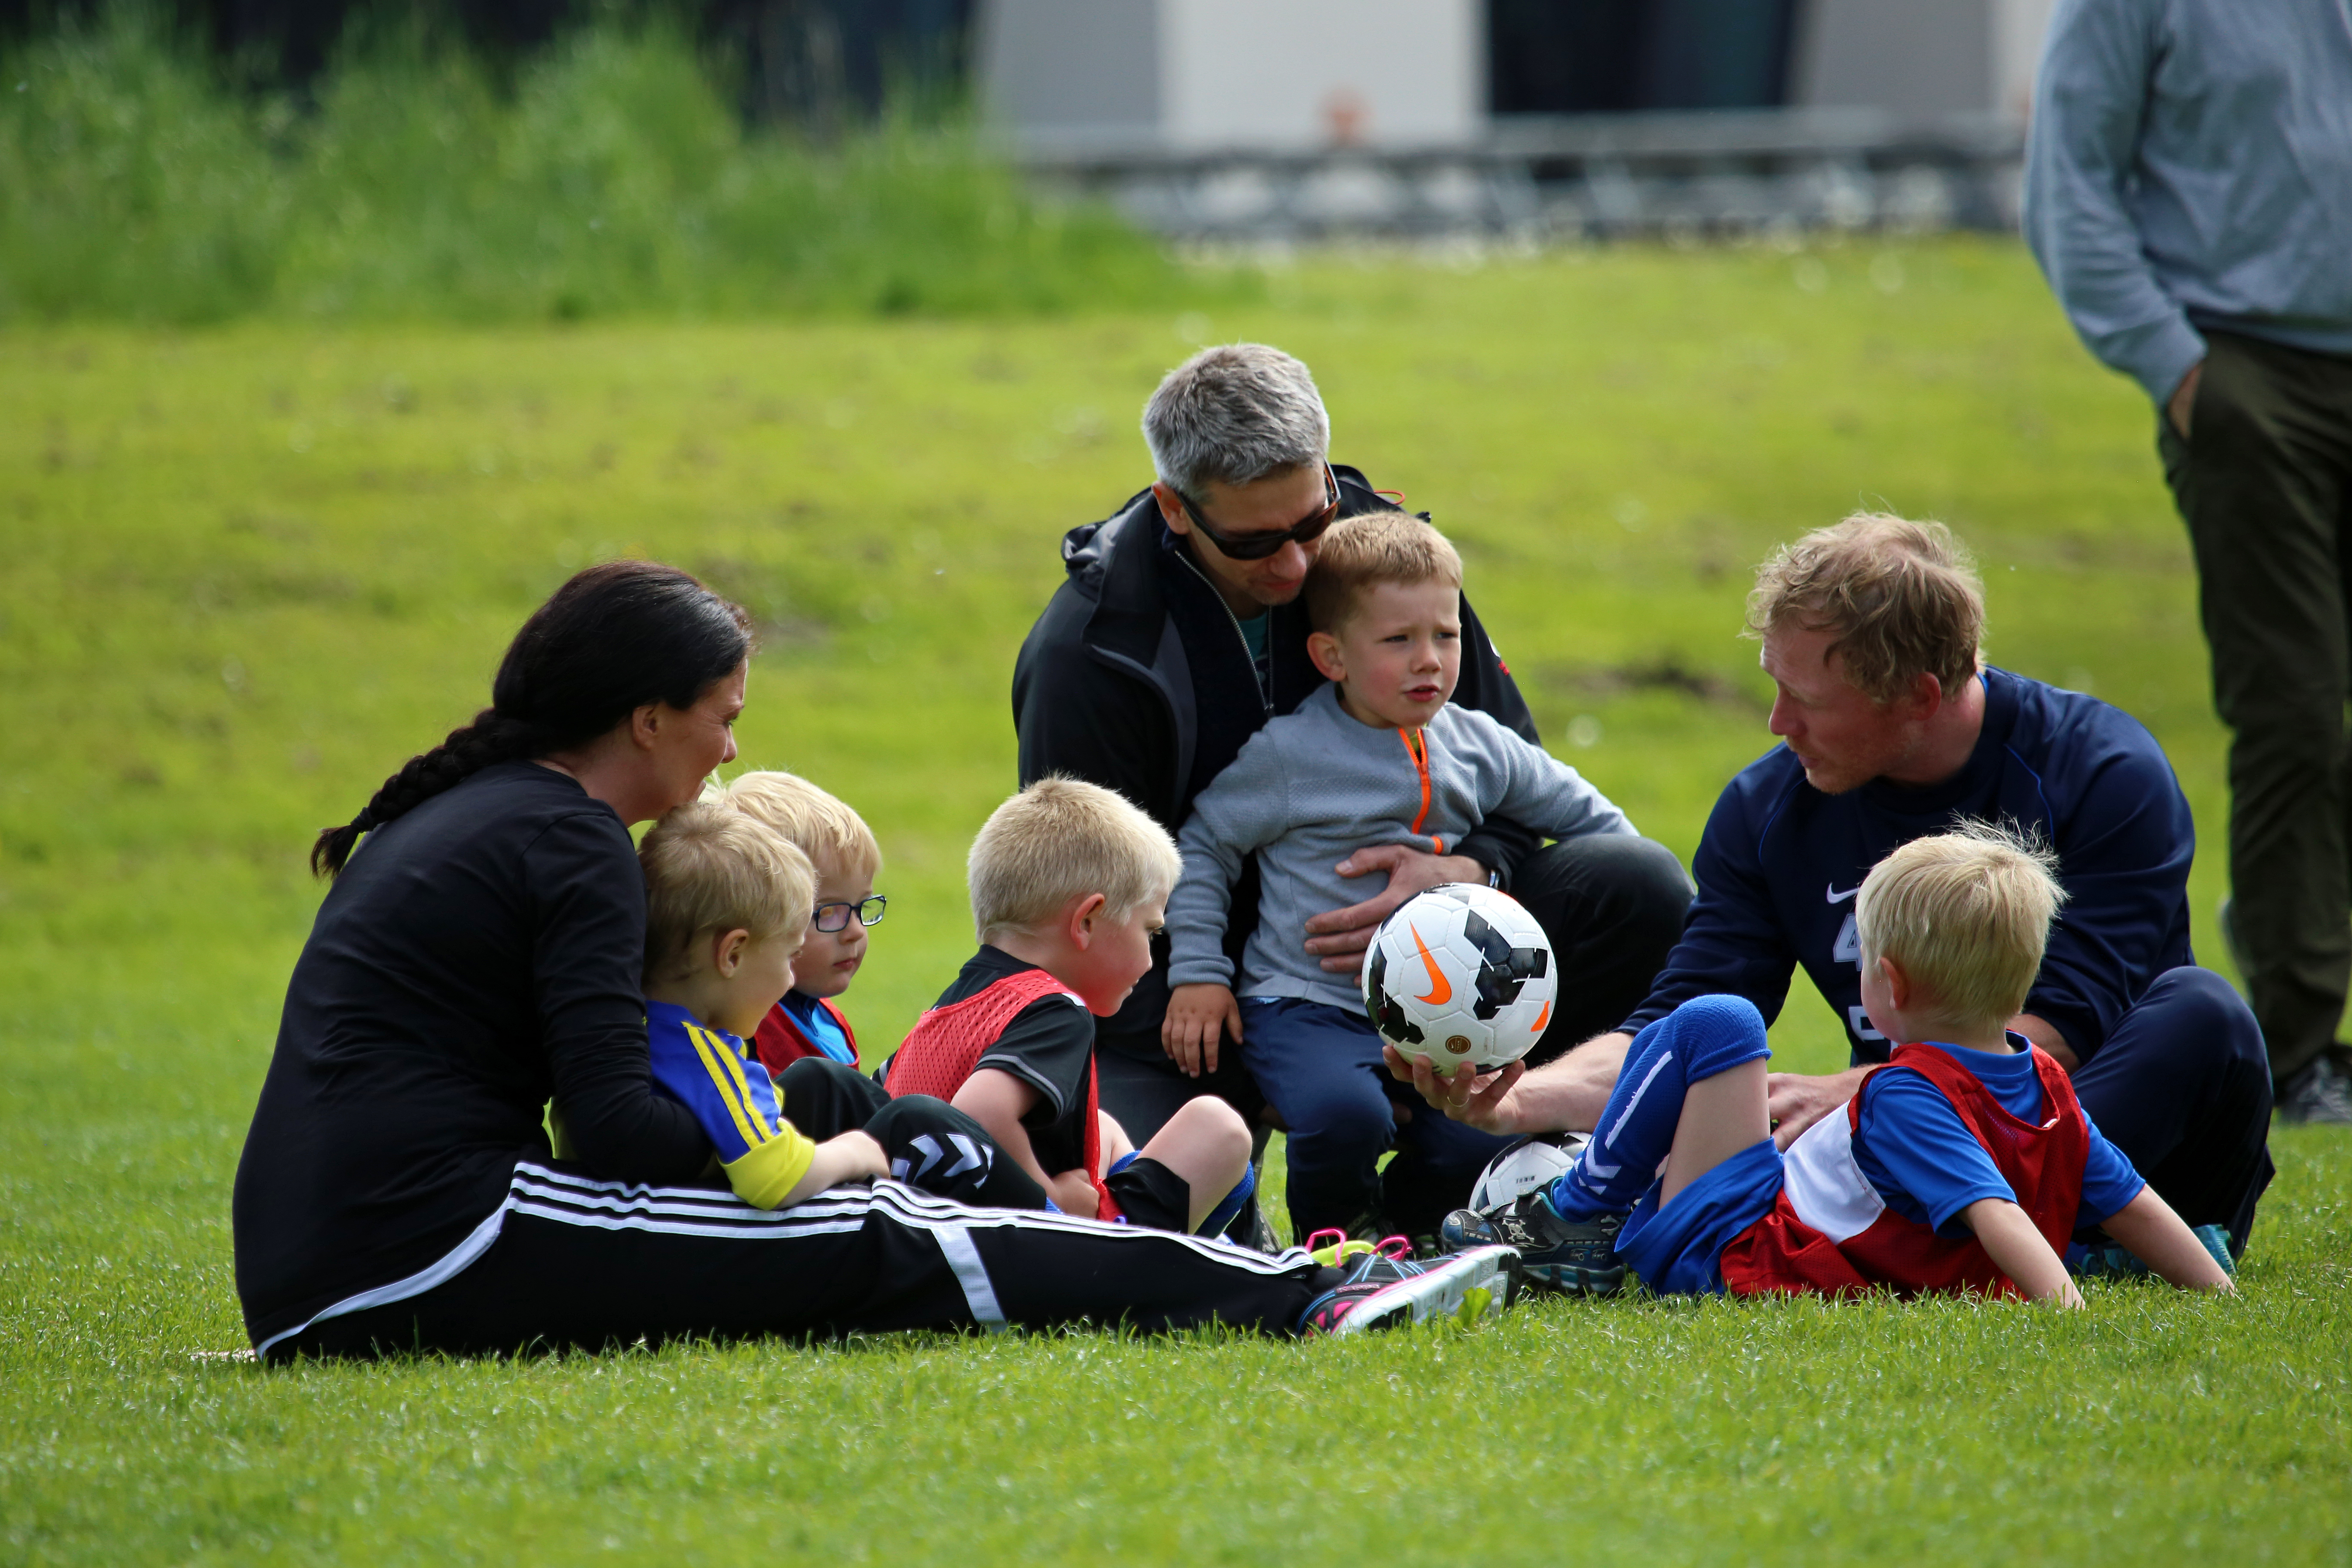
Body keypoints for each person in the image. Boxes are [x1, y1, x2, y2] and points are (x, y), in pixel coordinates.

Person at [231, 560, 1466, 1359]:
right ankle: (1304, 1297)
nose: (724, 756)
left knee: (862, 1194)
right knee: (877, 1230)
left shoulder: (510, 813)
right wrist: (798, 1157)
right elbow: (611, 1127)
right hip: (424, 1250)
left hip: (347, 1249)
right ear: (648, 718)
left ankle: (1279, 1278)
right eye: (723, 720)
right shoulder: (566, 840)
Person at [1396, 517, 2275, 1277]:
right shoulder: (1769, 808)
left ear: (1920, 695)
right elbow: (1675, 1020)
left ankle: (2084, 1235)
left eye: (1806, 698)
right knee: (1458, 1154)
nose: (1778, 723)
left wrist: (1866, 1093)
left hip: (2088, 1138)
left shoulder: (2102, 775)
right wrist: (1517, 1104)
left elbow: (2059, 1033)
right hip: (1886, 1157)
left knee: (2203, 1012)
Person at [1012, 342, 1692, 1157]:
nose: (1298, 564)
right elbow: (1082, 898)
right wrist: (1233, 1012)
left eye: (1311, 520)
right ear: (1176, 507)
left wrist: (1467, 872)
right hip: (1195, 993)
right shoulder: (1089, 652)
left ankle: (1487, 1141)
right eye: (1258, 542)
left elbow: (1512, 773)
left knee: (1641, 885)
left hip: (1438, 947)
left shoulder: (1386, 561)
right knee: (1153, 1206)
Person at [1446, 828, 2236, 1304]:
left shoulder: (1906, 1095)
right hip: (1771, 1220)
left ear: (1887, 984)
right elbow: (2131, 1199)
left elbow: (1992, 1210)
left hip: (1734, 1250)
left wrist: (2065, 1308)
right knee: (1724, 1052)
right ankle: (1594, 1195)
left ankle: (1572, 1217)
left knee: (1719, 1022)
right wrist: (2217, 1290)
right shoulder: (2047, 1084)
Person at [2021, 0, 2352, 1122]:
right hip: (2251, 374)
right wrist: (2181, 370)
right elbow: (2069, 189)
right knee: (2298, 711)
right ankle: (2303, 1050)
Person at [1163, 511, 1643, 1242]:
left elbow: (1605, 828)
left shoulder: (1482, 745)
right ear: (1330, 656)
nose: (1429, 660)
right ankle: (1332, 1247)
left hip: (1443, 1017)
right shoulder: (1288, 755)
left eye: (1445, 635)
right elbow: (1202, 846)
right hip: (1304, 1003)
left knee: (1471, 1138)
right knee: (1344, 1119)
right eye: (1398, 640)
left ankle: (1413, 1234)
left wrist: (1481, 882)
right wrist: (1198, 971)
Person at [884, 778, 1261, 1239]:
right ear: (1086, 921)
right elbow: (979, 1111)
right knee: (1218, 1129)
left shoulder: (949, 1007)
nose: (1149, 959)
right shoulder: (1054, 1008)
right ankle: (1172, 1262)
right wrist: (1049, 1200)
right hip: (1053, 1253)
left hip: (935, 1238)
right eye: (1151, 932)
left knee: (1101, 1127)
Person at [630, 796, 1043, 1211]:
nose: (789, 979)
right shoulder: (703, 1058)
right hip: (706, 1245)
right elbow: (774, 1175)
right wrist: (853, 1151)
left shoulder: (633, 1032)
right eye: (789, 956)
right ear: (733, 955)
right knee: (914, 1121)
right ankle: (1060, 1227)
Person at [722, 770, 881, 1073]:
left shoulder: (828, 1018)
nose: (856, 932)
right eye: (828, 912)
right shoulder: (746, 1032)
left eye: (861, 906)